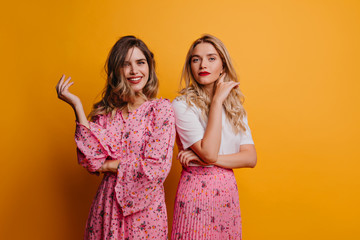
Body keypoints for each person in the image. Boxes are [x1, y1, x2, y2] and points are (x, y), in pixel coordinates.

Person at [56, 36, 175, 239]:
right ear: (116, 70)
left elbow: (156, 169)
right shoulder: (107, 114)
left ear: (149, 67)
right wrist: (77, 107)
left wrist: (111, 166)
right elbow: (91, 160)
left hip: (146, 214)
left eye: (140, 62)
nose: (134, 71)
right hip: (107, 209)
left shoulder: (161, 110)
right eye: (125, 64)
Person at [171, 34, 257, 239]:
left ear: (223, 67)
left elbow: (250, 158)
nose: (202, 65)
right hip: (195, 194)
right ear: (190, 66)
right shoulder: (182, 104)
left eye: (211, 58)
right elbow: (208, 152)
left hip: (227, 194)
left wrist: (209, 160)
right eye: (195, 59)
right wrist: (217, 101)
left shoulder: (235, 107)